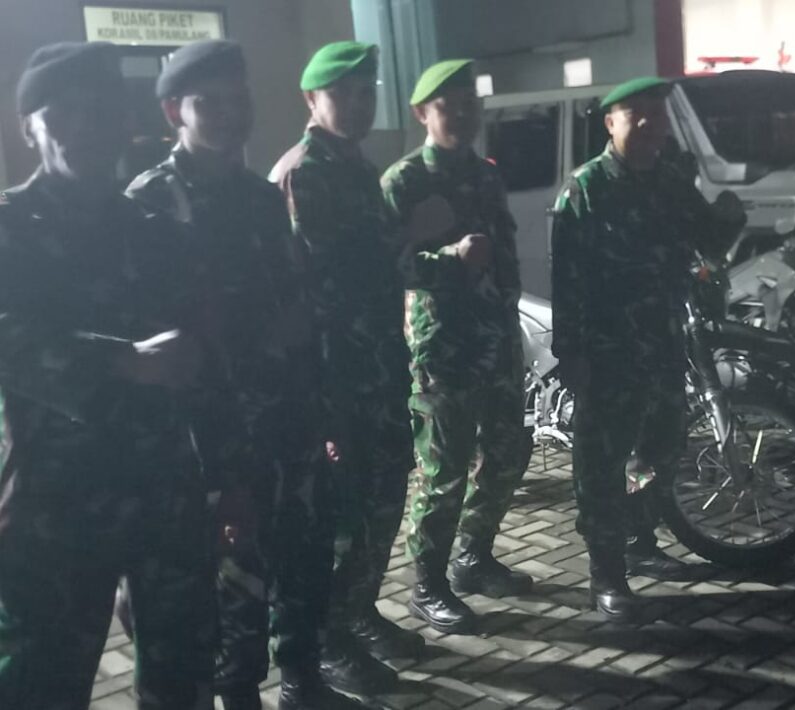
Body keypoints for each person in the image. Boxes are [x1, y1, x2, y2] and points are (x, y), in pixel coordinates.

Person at [125, 41, 362, 710]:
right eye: (211, 103)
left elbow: (297, 307)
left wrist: (321, 409)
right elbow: (159, 335)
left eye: (241, 101)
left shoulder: (260, 198)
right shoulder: (150, 202)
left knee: (304, 556)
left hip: (287, 418)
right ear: (174, 110)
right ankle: (239, 695)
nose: (231, 115)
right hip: (213, 438)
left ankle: (302, 679)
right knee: (236, 583)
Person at [0, 41, 216, 709]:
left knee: (182, 679)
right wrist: (121, 360)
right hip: (55, 508)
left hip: (164, 497)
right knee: (41, 685)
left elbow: (203, 357)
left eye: (100, 112)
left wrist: (228, 473)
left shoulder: (154, 230)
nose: (84, 129)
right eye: (62, 114)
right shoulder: (9, 229)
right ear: (29, 128)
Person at [550, 77, 745, 622]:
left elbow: (709, 240)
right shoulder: (586, 189)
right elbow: (566, 279)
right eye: (636, 114)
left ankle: (639, 539)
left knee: (662, 444)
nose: (649, 124)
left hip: (662, 344)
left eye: (657, 115)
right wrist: (572, 354)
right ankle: (606, 574)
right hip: (607, 353)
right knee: (602, 461)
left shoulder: (670, 182)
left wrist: (730, 215)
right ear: (610, 122)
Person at [270, 41, 422, 695]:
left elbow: (383, 270)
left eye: (367, 93)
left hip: (378, 370)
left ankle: (358, 612)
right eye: (343, 94)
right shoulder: (304, 174)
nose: (358, 105)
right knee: (342, 515)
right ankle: (328, 639)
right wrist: (323, 404)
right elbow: (319, 289)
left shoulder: (358, 169)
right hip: (335, 382)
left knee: (383, 500)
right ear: (312, 100)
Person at [379, 59, 532, 635]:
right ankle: (428, 585)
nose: (463, 114)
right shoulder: (403, 182)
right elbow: (385, 265)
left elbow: (505, 254)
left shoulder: (487, 176)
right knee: (444, 472)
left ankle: (474, 556)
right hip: (443, 347)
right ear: (423, 113)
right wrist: (449, 261)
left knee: (506, 455)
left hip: (497, 339)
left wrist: (511, 311)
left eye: (471, 103)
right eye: (449, 106)